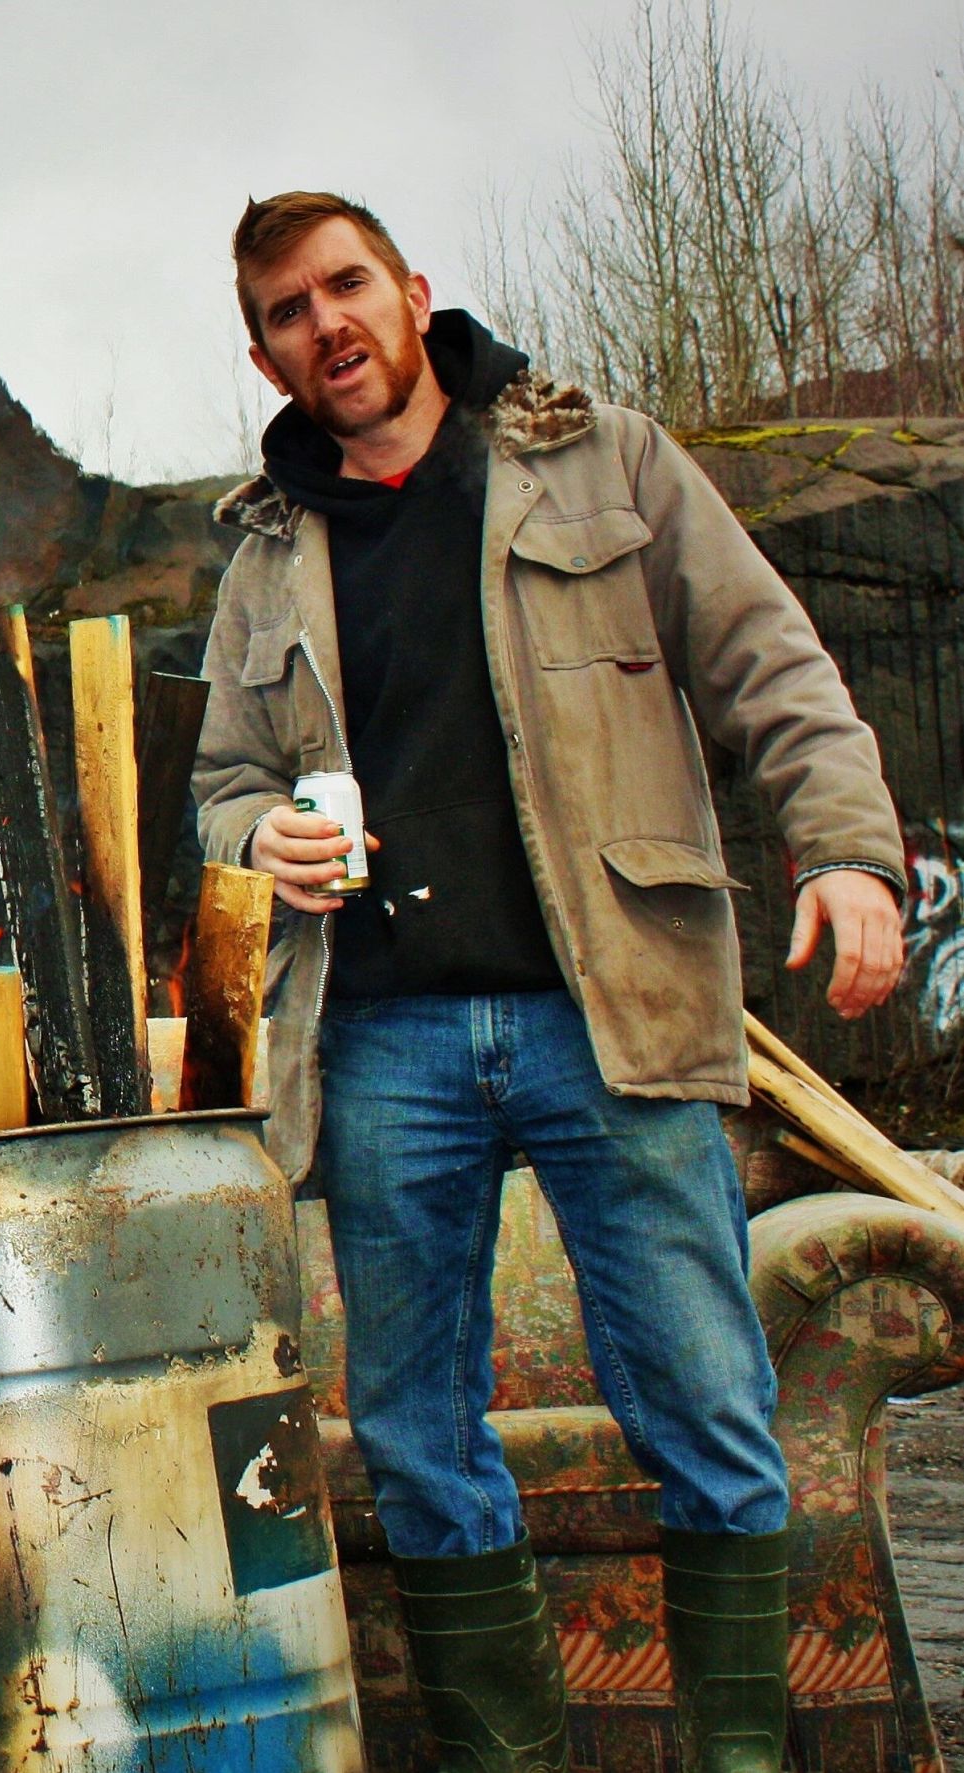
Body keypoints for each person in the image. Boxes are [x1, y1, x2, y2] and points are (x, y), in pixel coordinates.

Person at [195, 192, 909, 1773]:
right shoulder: (261, 550)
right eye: (291, 312)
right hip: (378, 1038)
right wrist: (262, 849)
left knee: (706, 1409)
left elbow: (770, 666)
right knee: (415, 1442)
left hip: (614, 1010)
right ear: (264, 350)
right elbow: (222, 786)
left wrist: (849, 852)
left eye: (348, 285)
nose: (331, 326)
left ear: (411, 288)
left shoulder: (606, 459)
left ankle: (737, 1759)